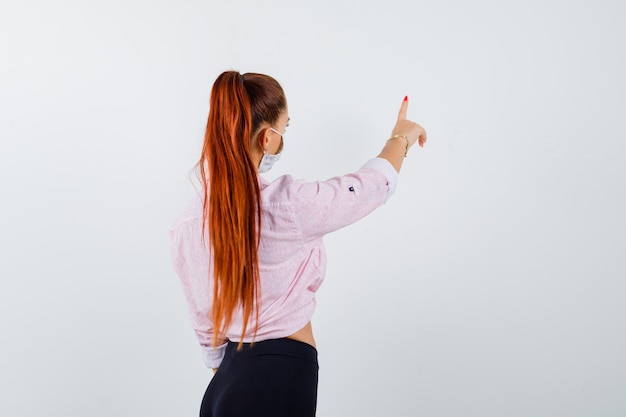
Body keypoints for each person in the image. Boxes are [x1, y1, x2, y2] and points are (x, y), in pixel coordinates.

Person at [170, 70, 427, 417]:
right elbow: (367, 188)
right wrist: (401, 138)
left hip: (225, 386)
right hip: (278, 378)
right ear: (266, 138)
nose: (283, 138)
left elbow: (204, 323)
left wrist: (232, 380)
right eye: (284, 128)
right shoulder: (286, 205)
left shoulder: (188, 223)